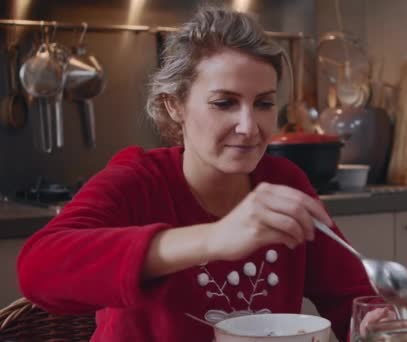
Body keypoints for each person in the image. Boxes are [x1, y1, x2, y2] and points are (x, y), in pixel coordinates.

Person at [17, 6, 375, 341]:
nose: (249, 127)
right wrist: (213, 238)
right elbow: (38, 271)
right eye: (224, 103)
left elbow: (351, 297)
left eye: (264, 103)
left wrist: (378, 320)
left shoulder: (284, 182)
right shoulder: (137, 182)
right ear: (175, 106)